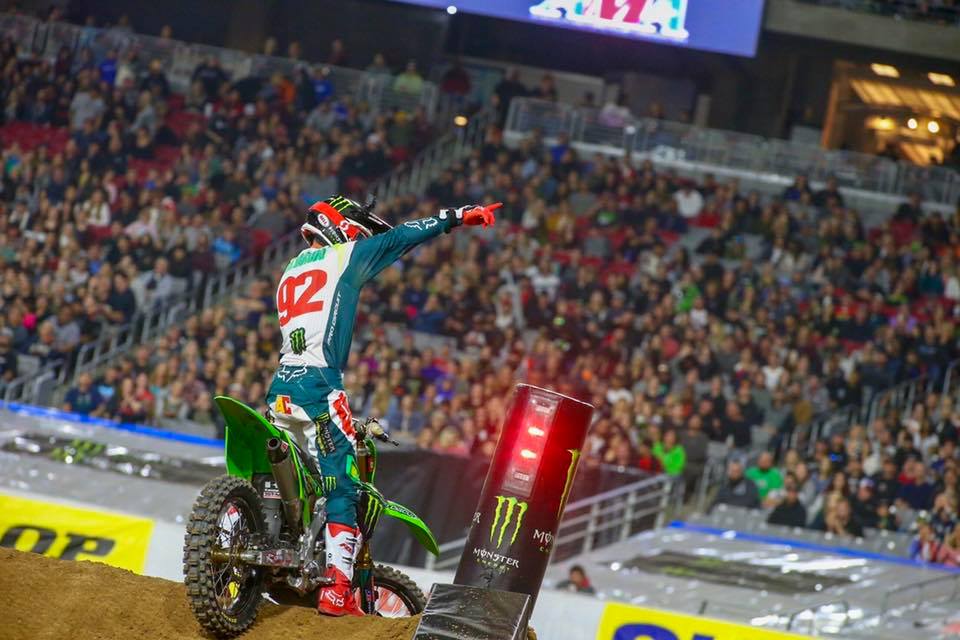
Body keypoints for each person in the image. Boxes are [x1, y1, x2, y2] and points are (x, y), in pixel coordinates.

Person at [264, 195, 500, 616]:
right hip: (319, 385)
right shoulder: (342, 257)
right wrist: (455, 217)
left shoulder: (290, 269)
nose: (358, 237)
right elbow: (401, 237)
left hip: (282, 385)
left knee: (293, 481)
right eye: (354, 231)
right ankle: (337, 589)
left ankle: (281, 554)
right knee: (343, 485)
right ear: (338, 228)